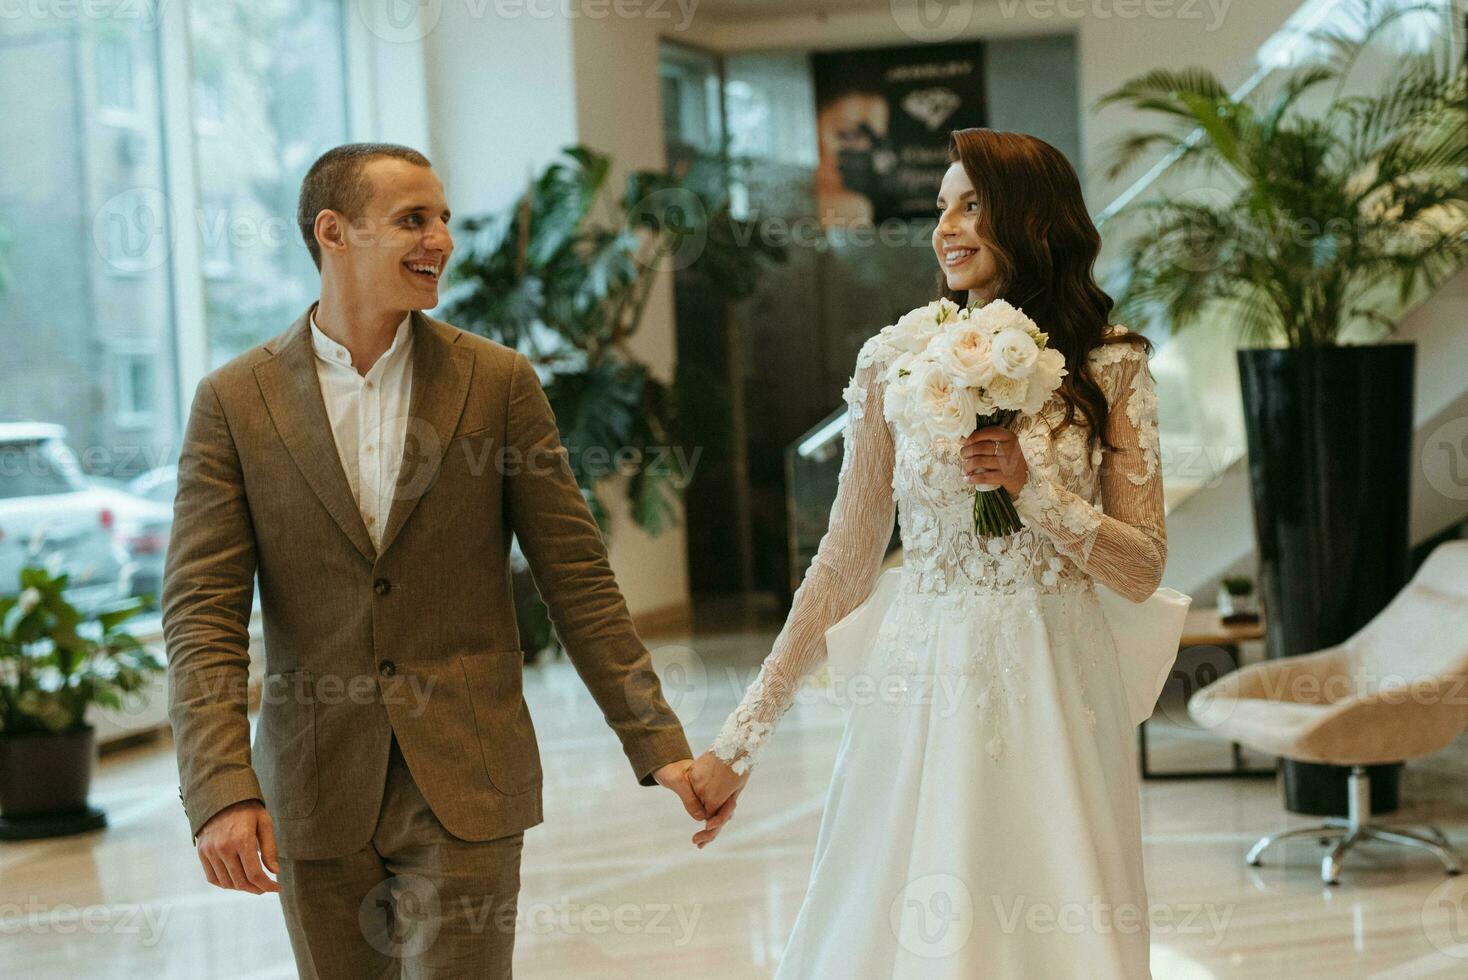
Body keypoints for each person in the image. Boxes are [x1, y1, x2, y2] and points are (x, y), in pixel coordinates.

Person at [162, 143, 706, 978]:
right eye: (414, 219)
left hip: (466, 777)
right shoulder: (236, 401)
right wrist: (221, 787)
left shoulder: (497, 383)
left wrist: (657, 740)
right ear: (333, 233)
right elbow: (202, 613)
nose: (442, 240)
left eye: (444, 218)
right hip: (313, 785)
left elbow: (577, 577)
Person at [688, 127, 1166, 978]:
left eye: (971, 204)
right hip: (923, 680)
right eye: (941, 207)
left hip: (1059, 681)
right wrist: (739, 743)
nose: (947, 226)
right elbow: (843, 562)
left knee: (1061, 913)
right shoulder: (895, 361)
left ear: (1029, 217)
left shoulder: (1112, 363)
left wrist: (1034, 492)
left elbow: (1143, 566)